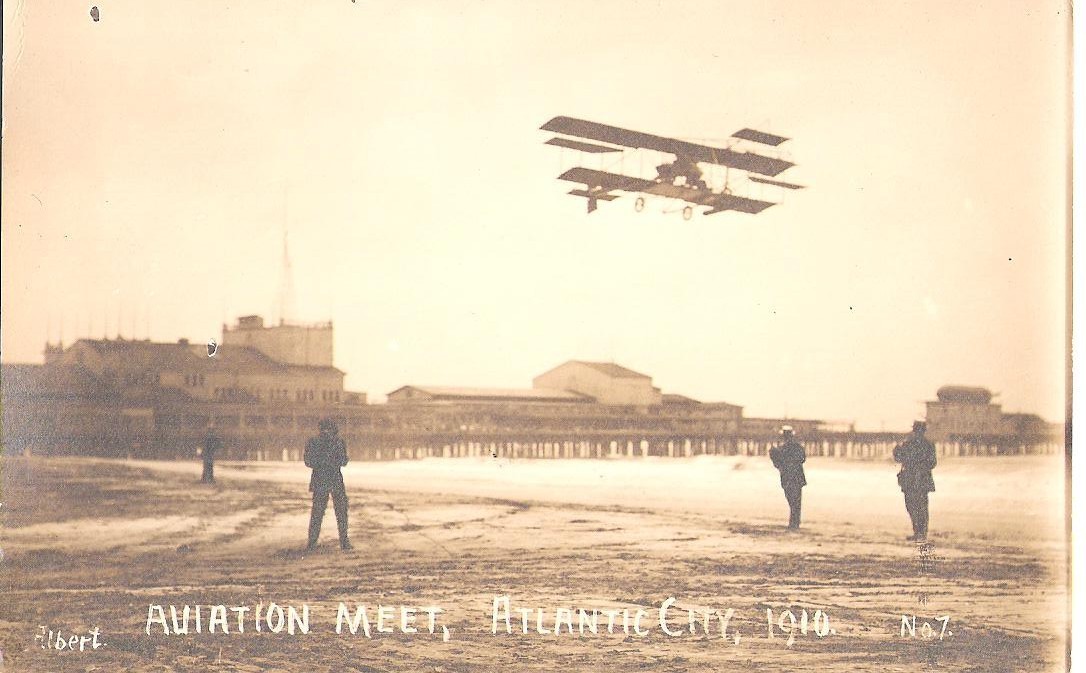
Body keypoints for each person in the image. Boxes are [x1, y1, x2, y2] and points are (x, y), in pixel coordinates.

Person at [305, 418, 352, 551]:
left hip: (320, 479)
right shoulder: (338, 442)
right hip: (335, 478)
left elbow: (308, 461)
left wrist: (321, 463)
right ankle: (344, 541)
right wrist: (332, 461)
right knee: (341, 512)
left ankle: (312, 542)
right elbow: (344, 461)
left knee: (318, 512)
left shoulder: (313, 442)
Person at [894, 419, 937, 541]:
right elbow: (933, 463)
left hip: (911, 479)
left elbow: (898, 458)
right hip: (922, 480)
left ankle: (919, 532)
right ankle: (921, 533)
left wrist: (897, 449)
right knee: (921, 507)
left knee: (912, 506)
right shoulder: (928, 444)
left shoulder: (908, 444)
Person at [769, 425, 807, 529]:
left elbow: (777, 464)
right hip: (798, 477)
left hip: (787, 477)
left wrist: (772, 454)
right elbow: (803, 459)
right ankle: (795, 523)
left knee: (791, 500)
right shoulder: (798, 447)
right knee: (797, 501)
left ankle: (793, 523)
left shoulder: (781, 449)